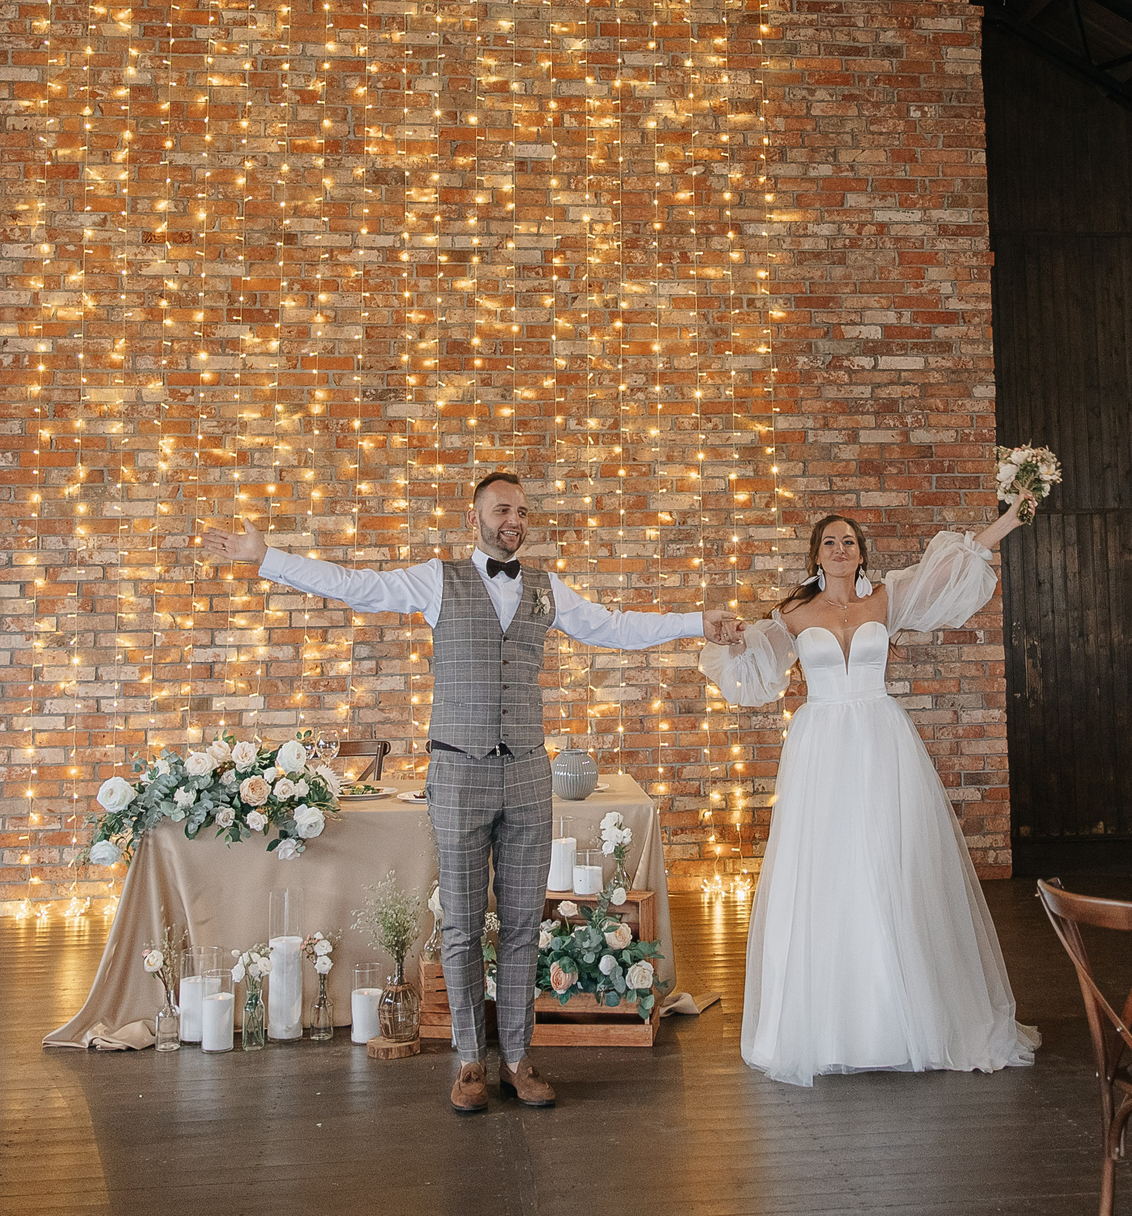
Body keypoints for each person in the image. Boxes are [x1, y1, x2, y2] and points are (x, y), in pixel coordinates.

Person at [198, 472, 739, 1114]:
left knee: (520, 926)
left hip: (528, 773)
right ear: (474, 519)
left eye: (523, 510)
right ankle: (467, 1062)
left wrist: (695, 621)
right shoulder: (437, 578)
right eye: (502, 509)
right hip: (456, 771)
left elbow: (613, 626)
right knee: (458, 925)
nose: (515, 519)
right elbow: (357, 588)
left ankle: (515, 1058)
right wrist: (268, 559)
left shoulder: (545, 587)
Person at [699, 506, 1041, 1087]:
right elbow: (752, 668)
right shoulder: (792, 613)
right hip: (822, 747)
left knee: (892, 860)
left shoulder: (886, 598)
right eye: (830, 542)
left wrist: (1010, 517)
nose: (840, 549)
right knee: (828, 869)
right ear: (816, 555)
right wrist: (730, 640)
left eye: (849, 542)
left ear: (860, 553)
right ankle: (828, 1023)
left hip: (881, 740)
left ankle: (906, 1015)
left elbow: (951, 571)